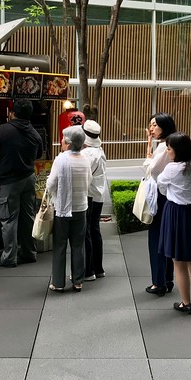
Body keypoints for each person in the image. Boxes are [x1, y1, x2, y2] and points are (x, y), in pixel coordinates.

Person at [0, 99, 44, 267]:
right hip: (28, 178)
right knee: (27, 217)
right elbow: (38, 154)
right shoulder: (34, 133)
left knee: (8, 219)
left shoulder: (3, 131)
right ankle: (29, 252)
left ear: (12, 113)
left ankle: (9, 257)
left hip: (9, 181)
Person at [157, 132, 191, 315]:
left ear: (176, 150)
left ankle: (185, 303)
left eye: (169, 148)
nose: (168, 152)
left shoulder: (173, 169)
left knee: (178, 261)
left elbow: (160, 183)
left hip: (177, 213)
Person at [46, 126, 92, 292]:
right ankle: (78, 281)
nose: (62, 142)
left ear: (68, 143)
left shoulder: (61, 159)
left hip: (62, 210)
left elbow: (51, 184)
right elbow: (89, 181)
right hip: (81, 208)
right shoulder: (85, 159)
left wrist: (54, 195)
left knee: (60, 246)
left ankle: (58, 283)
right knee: (78, 246)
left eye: (64, 139)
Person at [144, 112, 177, 297]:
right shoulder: (171, 143)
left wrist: (148, 155)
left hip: (160, 195)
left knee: (156, 237)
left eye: (155, 125)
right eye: (150, 125)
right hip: (169, 196)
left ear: (165, 126)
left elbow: (151, 170)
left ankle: (159, 282)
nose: (151, 128)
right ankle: (167, 278)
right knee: (166, 237)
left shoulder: (164, 147)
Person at [81, 120, 107, 282]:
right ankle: (98, 268)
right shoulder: (99, 151)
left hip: (88, 196)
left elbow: (83, 176)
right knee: (95, 231)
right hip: (98, 195)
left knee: (86, 233)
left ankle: (88, 270)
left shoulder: (87, 154)